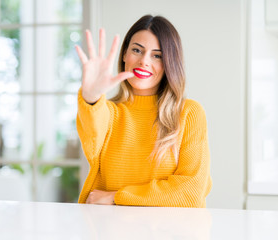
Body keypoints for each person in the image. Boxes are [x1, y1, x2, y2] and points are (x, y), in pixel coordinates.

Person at [74, 15, 212, 208]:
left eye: (157, 55)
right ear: (124, 55)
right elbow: (92, 132)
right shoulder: (107, 112)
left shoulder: (189, 113)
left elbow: (191, 192)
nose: (144, 61)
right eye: (137, 50)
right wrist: (91, 97)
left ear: (169, 63)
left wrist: (117, 197)